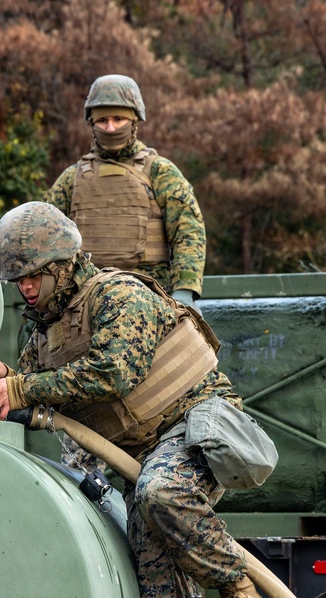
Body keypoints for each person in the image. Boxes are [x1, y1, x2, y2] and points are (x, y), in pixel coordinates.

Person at [0, 201, 276, 598]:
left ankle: (245, 596)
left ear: (62, 265)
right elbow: (40, 393)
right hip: (143, 453)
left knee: (162, 494)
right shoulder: (43, 337)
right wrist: (3, 377)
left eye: (33, 275)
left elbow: (115, 372)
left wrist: (18, 385)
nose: (26, 288)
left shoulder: (118, 294)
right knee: (156, 592)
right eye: (18, 281)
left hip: (190, 425)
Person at [44, 73, 208, 474]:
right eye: (102, 120)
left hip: (149, 310)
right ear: (91, 122)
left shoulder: (160, 173)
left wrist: (185, 292)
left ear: (135, 120)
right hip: (89, 313)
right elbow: (45, 238)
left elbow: (189, 229)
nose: (111, 127)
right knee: (87, 428)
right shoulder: (71, 181)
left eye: (118, 119)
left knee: (157, 414)